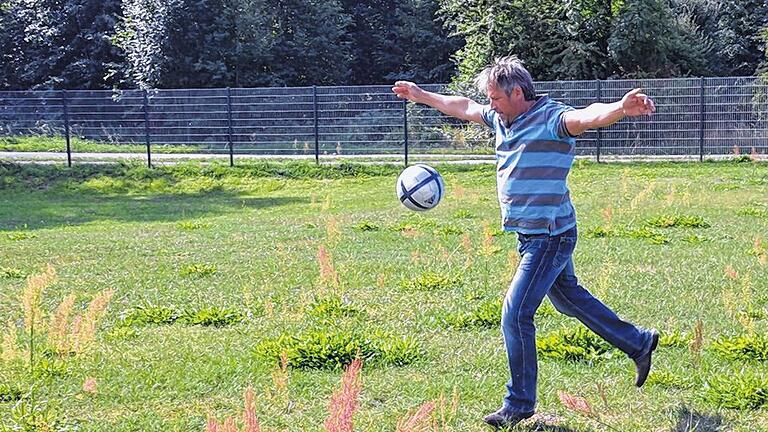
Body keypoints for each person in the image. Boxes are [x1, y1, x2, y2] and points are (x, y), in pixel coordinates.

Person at [392, 56, 659, 429]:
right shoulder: (502, 119)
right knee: (568, 298)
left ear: (517, 92)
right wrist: (422, 95)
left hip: (550, 236)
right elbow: (465, 107)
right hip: (533, 234)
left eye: (497, 98)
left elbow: (585, 116)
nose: (492, 106)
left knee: (516, 314)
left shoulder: (551, 118)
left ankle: (519, 404)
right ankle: (639, 342)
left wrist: (619, 107)